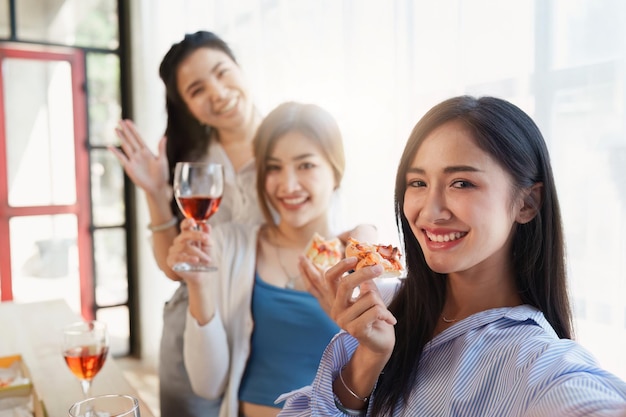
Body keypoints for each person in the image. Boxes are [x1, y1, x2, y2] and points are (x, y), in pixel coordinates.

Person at [277, 95, 626, 416]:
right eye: (417, 183)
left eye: (462, 183)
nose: (431, 212)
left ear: (528, 203)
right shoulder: (383, 306)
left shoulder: (538, 361)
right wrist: (368, 359)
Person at [165, 101, 380, 417]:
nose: (287, 185)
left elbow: (383, 381)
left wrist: (366, 239)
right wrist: (199, 284)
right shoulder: (229, 246)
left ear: (335, 171)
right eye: (274, 167)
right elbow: (207, 385)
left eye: (305, 165)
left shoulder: (362, 261)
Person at [109, 31, 264, 417]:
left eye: (222, 73)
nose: (217, 92)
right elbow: (174, 268)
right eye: (197, 89)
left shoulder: (292, 146)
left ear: (241, 70)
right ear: (188, 107)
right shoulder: (192, 161)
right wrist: (155, 190)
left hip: (267, 325)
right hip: (195, 323)